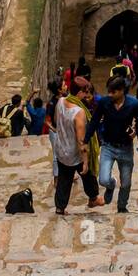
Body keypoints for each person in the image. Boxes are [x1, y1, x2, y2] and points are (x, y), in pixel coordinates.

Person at [86, 76, 138, 213]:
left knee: (127, 183)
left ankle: (122, 206)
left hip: (126, 148)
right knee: (103, 179)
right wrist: (85, 141)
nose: (110, 95)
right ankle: (111, 185)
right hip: (108, 146)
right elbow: (94, 122)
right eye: (109, 91)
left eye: (113, 92)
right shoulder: (105, 103)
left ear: (122, 91)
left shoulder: (134, 104)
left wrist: (137, 136)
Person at [52, 77, 102, 214]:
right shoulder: (79, 112)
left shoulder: (61, 101)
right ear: (79, 92)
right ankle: (93, 198)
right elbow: (81, 141)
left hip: (61, 149)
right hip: (74, 153)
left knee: (64, 179)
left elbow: (56, 121)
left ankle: (60, 207)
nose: (86, 95)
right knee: (88, 174)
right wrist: (86, 161)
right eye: (84, 92)